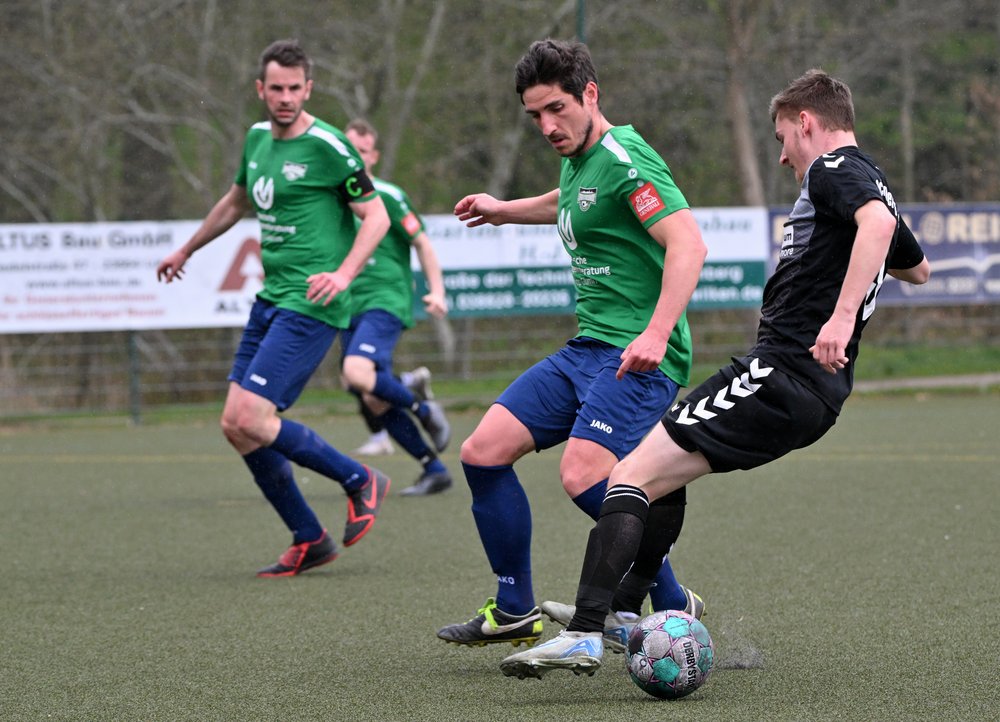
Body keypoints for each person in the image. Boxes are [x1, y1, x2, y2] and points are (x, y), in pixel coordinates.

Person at [499, 68, 932, 679]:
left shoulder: (832, 169)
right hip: (817, 392)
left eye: (782, 138)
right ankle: (623, 609)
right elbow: (917, 269)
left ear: (807, 123)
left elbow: (879, 228)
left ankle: (585, 632)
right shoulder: (874, 181)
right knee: (661, 476)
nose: (782, 155)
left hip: (781, 373)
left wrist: (838, 318)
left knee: (628, 475)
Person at [436, 38, 708, 650]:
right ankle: (515, 609)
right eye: (535, 115)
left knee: (583, 472)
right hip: (587, 349)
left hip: (637, 356)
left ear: (590, 94)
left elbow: (688, 244)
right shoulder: (579, 157)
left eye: (556, 109)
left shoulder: (627, 159)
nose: (547, 126)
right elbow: (572, 201)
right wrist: (504, 210)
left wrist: (657, 332)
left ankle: (665, 597)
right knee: (482, 453)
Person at [156, 39, 393, 577]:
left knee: (251, 418)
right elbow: (236, 201)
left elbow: (376, 216)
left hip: (312, 303)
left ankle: (360, 479)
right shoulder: (257, 138)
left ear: (308, 89)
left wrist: (343, 274)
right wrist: (187, 249)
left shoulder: (330, 146)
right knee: (235, 425)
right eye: (276, 88)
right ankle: (309, 537)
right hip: (271, 298)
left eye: (295, 88)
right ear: (260, 89)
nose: (285, 97)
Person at [340, 119, 453, 496]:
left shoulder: (386, 195)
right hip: (346, 304)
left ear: (373, 156)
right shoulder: (332, 198)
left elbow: (422, 243)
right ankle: (434, 469)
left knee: (356, 372)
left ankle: (423, 408)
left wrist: (437, 291)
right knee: (369, 394)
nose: (355, 157)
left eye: (361, 151)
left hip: (384, 299)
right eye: (348, 149)